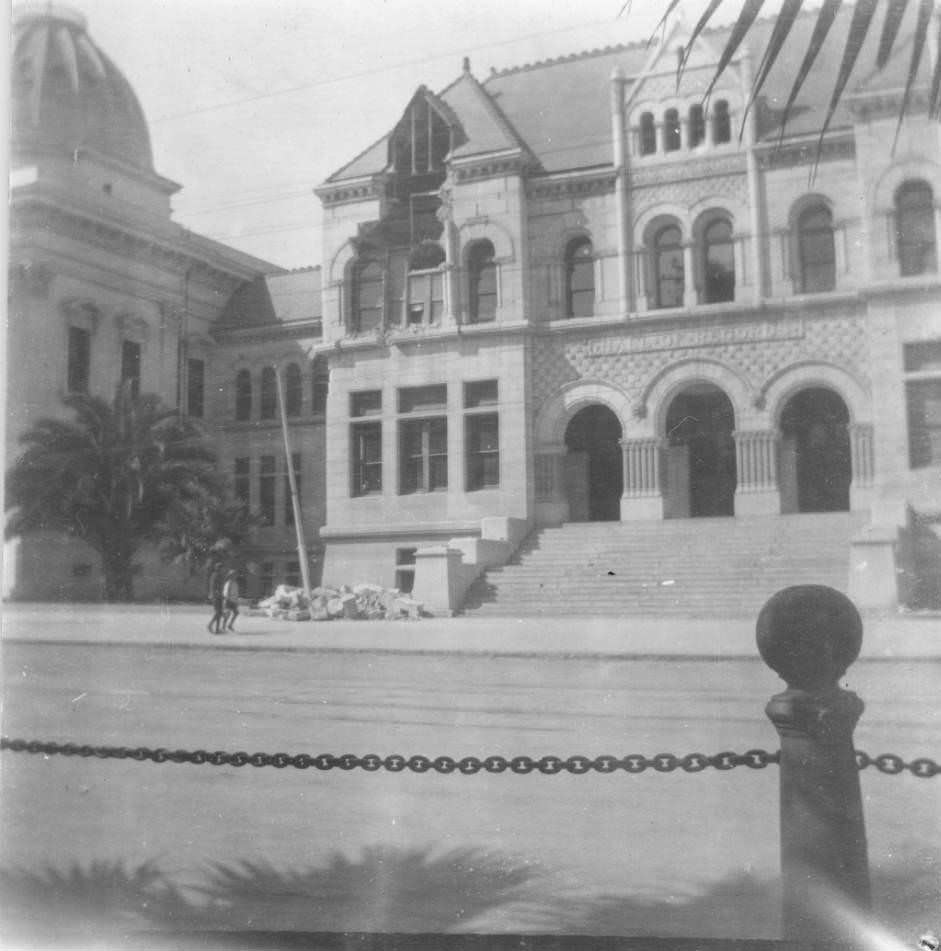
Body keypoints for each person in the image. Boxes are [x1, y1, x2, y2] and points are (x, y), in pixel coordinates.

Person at [207, 561, 225, 634]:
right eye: (222, 568)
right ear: (219, 568)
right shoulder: (215, 575)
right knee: (218, 612)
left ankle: (217, 629)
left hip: (218, 595)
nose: (223, 570)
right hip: (216, 596)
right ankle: (210, 625)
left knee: (219, 613)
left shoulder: (218, 575)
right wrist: (217, 594)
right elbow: (214, 587)